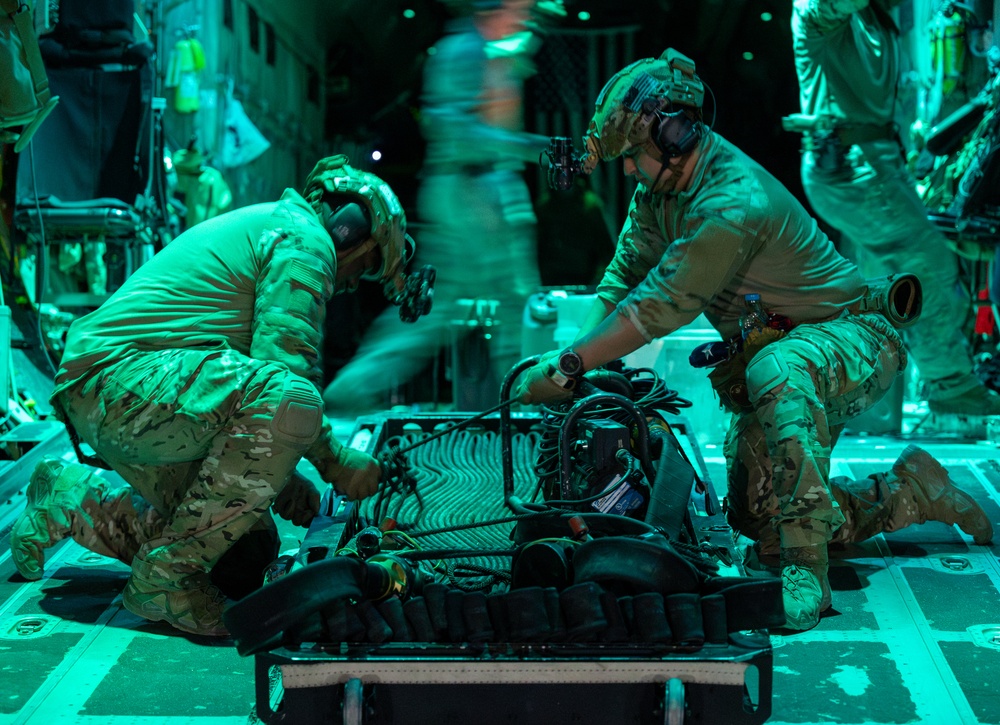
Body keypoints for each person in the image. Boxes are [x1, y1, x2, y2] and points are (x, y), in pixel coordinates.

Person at [515, 48, 994, 630]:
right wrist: (569, 367)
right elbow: (621, 283)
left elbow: (660, 307)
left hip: (854, 339)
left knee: (774, 370)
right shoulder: (660, 194)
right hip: (788, 350)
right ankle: (909, 492)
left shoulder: (730, 201)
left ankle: (808, 576)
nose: (626, 169)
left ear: (675, 135)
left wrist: (568, 361)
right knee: (757, 523)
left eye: (633, 154)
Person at [9, 155, 415, 637]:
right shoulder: (305, 239)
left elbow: (241, 405)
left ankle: (71, 499)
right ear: (349, 227)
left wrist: (284, 481)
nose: (353, 283)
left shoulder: (277, 228)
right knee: (293, 401)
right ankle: (165, 579)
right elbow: (284, 374)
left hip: (121, 388)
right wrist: (335, 462)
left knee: (242, 557)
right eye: (367, 263)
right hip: (115, 378)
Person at [322, 0, 549, 413]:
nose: (529, 14)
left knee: (445, 308)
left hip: (473, 184)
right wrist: (535, 148)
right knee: (514, 301)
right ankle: (529, 408)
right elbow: (458, 130)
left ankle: (350, 390)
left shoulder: (484, 50)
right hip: (472, 186)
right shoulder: (466, 50)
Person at [790, 0, 1000, 416]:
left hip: (874, 163)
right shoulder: (820, 12)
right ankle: (949, 382)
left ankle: (855, 394)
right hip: (855, 167)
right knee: (931, 265)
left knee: (878, 289)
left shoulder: (875, 21)